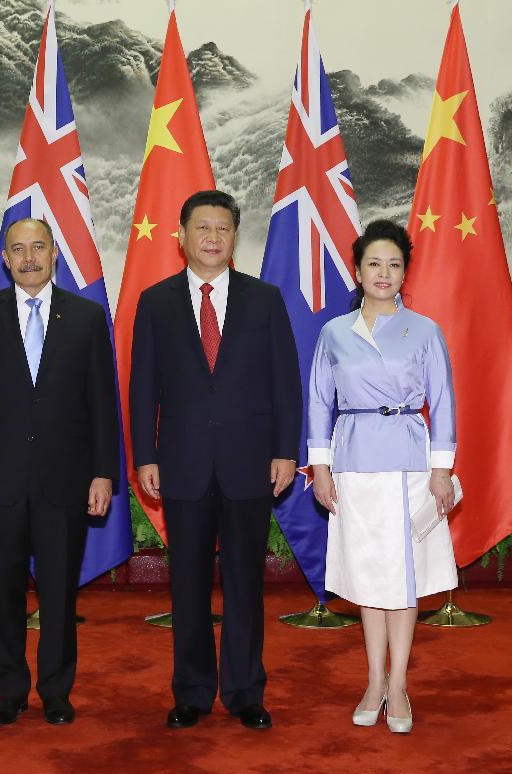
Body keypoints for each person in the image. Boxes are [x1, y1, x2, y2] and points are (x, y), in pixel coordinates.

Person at [130, 190, 302, 730]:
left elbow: (285, 385)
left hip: (250, 462)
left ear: (234, 237)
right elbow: (142, 389)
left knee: (247, 582)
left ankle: (247, 690)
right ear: (180, 236)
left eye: (222, 227)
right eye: (201, 226)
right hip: (181, 463)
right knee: (187, 585)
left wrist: (284, 453)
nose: (211, 236)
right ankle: (193, 692)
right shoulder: (155, 302)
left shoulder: (264, 299)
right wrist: (144, 455)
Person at [0, 218, 118, 727]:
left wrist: (103, 472)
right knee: (2, 590)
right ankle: (9, 690)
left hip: (65, 479)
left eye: (38, 248)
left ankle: (57, 691)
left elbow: (101, 404)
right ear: (5, 259)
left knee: (61, 593)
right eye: (17, 249)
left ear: (54, 255)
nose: (28, 258)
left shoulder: (86, 317)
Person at [308, 219, 458, 734]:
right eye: (374, 263)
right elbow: (318, 403)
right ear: (357, 269)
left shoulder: (425, 329)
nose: (384, 273)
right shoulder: (333, 333)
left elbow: (441, 401)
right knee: (368, 577)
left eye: (394, 264)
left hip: (411, 465)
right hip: (353, 465)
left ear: (404, 271)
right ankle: (373, 680)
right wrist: (320, 467)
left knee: (404, 579)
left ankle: (399, 689)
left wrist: (442, 471)